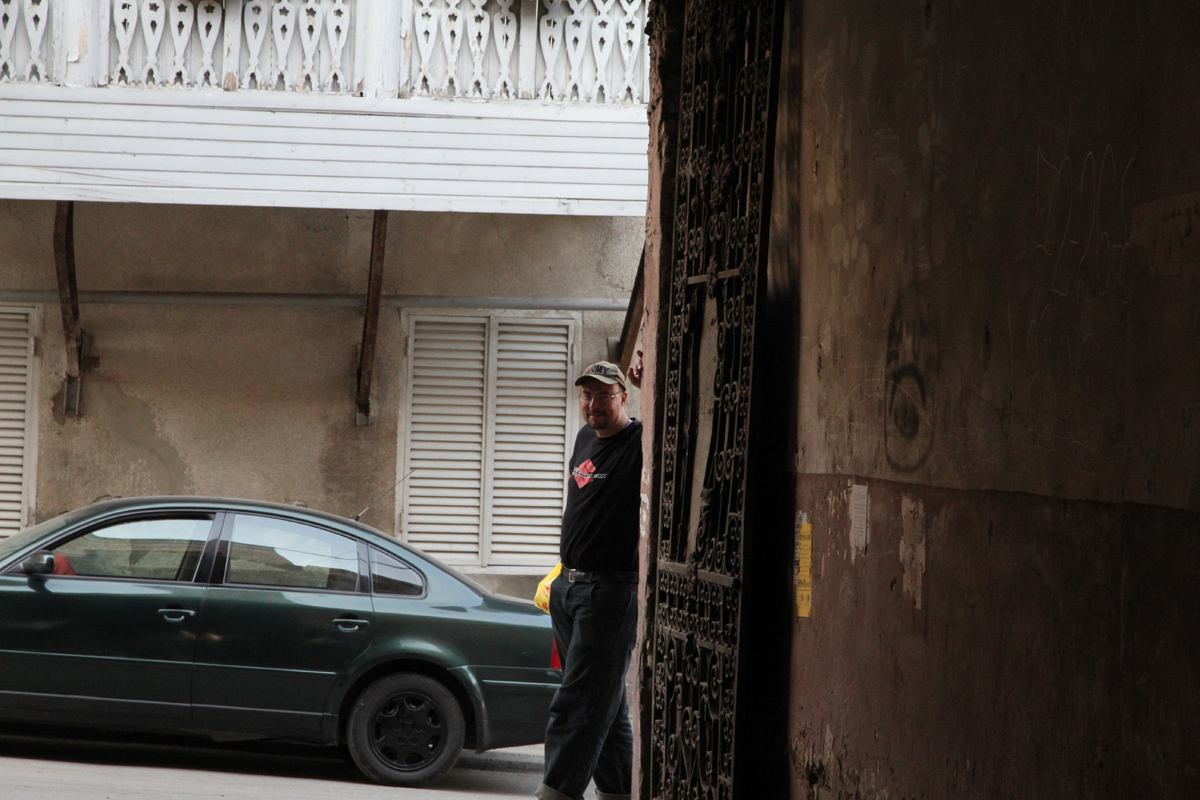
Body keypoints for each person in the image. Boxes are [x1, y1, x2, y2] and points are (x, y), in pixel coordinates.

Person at [536, 358, 643, 800]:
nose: (594, 404)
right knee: (606, 703)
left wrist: (651, 375)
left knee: (577, 703)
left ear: (623, 397)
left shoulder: (639, 441)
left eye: (604, 395)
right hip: (568, 588)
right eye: (587, 395)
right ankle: (618, 793)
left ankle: (556, 793)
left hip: (608, 592)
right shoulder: (584, 438)